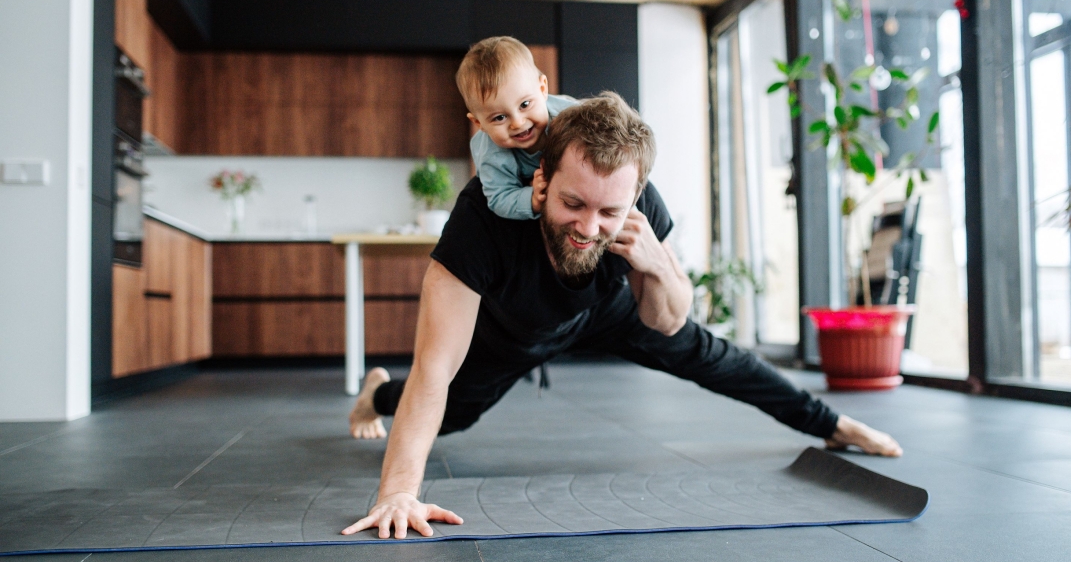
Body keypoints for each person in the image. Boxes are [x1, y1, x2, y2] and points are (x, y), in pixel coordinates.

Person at [343, 92, 903, 540]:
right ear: (541, 180)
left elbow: (670, 323)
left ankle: (832, 425)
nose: (588, 227)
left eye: (609, 211)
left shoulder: (642, 209)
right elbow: (434, 368)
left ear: (634, 198)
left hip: (607, 309)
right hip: (514, 328)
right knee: (453, 414)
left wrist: (657, 265)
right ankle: (376, 394)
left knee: (712, 356)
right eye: (572, 204)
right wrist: (398, 492)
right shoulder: (481, 219)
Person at [457, 35, 577, 220]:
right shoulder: (492, 154)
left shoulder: (572, 117)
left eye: (525, 104)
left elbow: (610, 133)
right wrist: (531, 198)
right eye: (500, 117)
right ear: (479, 124)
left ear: (543, 89)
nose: (518, 123)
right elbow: (500, 197)